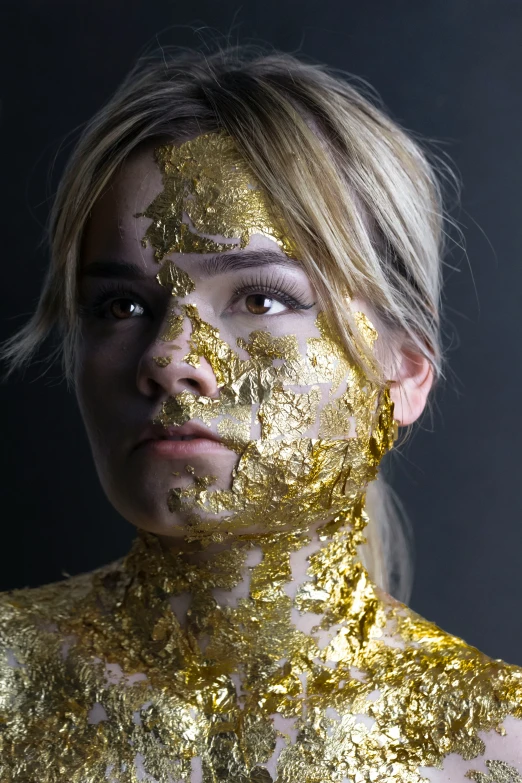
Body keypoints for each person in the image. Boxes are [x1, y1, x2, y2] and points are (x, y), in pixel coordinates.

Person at [1, 46, 521, 783]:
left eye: (260, 298)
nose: (168, 357)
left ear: (405, 369)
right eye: (123, 306)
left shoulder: (496, 749)